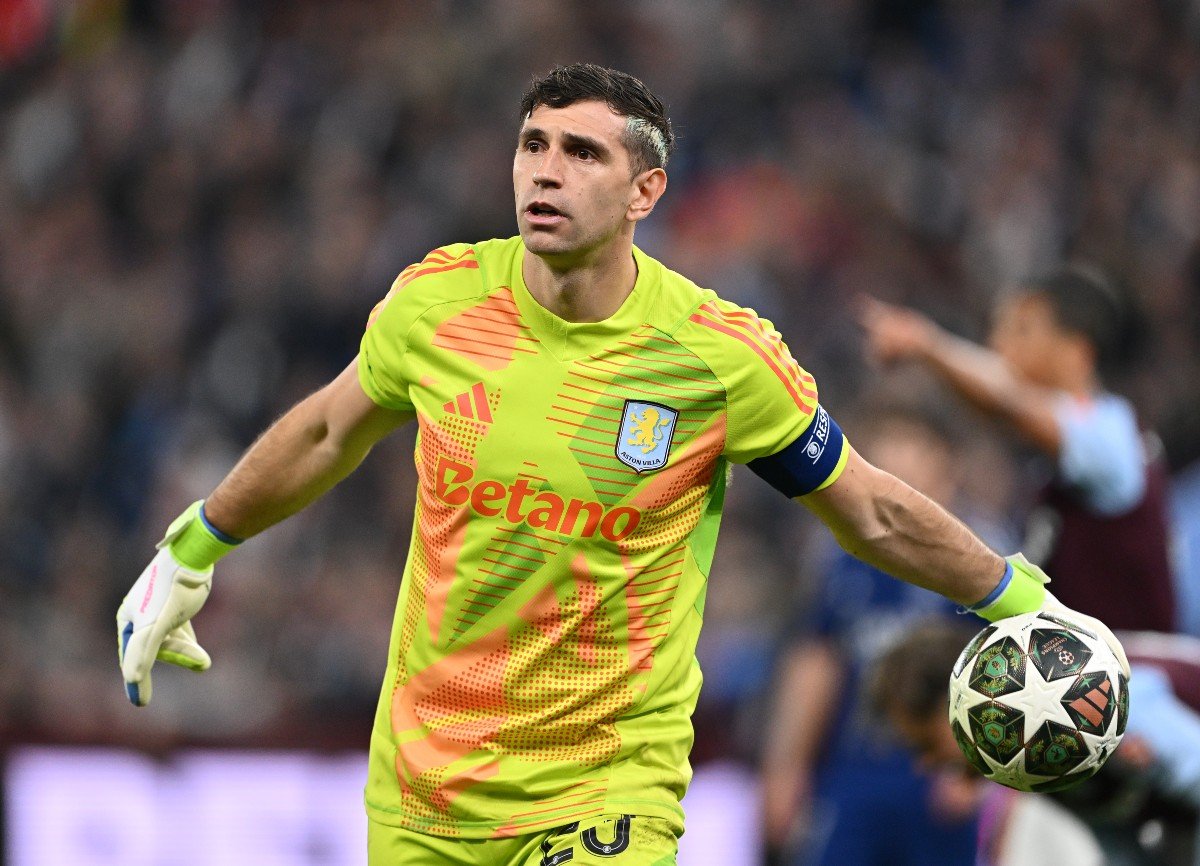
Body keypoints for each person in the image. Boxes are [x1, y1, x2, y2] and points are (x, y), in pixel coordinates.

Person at [115, 64, 1127, 866]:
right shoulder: (438, 303)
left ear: (647, 188)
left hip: (602, 791)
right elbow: (330, 431)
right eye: (532, 145)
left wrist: (1019, 597)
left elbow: (865, 506)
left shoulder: (714, 354)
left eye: (582, 153)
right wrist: (196, 543)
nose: (545, 172)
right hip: (422, 788)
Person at [860, 271, 1176, 633]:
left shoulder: (1108, 433)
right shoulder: (1064, 451)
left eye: (1022, 330)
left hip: (1134, 673)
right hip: (1098, 670)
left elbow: (1006, 403)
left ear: (1077, 352)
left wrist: (927, 344)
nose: (998, 345)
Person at [760, 407, 989, 866]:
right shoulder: (839, 557)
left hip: (937, 779)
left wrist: (978, 772)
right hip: (853, 771)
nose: (893, 455)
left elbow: (1007, 673)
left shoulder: (980, 555)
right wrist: (786, 768)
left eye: (911, 441)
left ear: (947, 462)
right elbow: (815, 665)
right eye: (883, 441)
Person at [871, 620, 1200, 866]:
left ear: (962, 706)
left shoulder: (1086, 696)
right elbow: (1118, 839)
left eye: (926, 744)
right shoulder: (1032, 757)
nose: (926, 764)